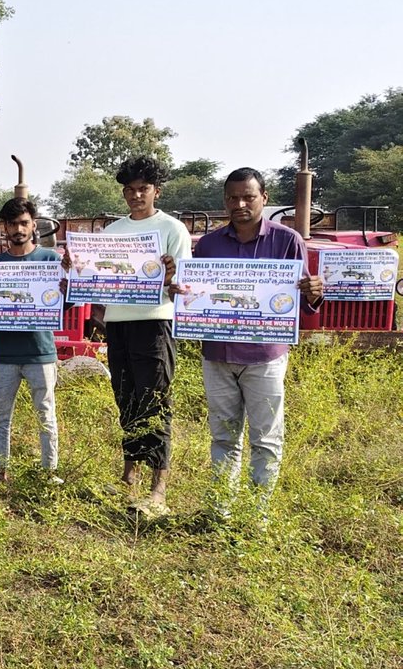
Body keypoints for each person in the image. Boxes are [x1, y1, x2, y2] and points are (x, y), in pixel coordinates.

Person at [192, 167, 322, 523]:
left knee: (266, 439)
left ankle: (256, 518)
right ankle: (220, 513)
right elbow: (198, 295)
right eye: (232, 198)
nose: (240, 204)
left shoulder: (287, 240)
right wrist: (183, 292)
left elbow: (302, 298)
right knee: (223, 437)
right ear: (225, 201)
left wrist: (313, 292)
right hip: (217, 354)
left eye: (248, 197)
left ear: (264, 198)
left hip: (264, 355)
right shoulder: (208, 245)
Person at [78, 156, 191, 519]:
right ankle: (129, 476)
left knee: (154, 402)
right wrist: (76, 272)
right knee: (126, 398)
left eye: (143, 189)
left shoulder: (172, 229)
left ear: (157, 191)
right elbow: (94, 277)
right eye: (129, 190)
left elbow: (183, 287)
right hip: (118, 324)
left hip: (155, 324)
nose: (136, 195)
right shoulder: (111, 232)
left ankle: (159, 488)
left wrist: (171, 278)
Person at [0, 198, 62, 488]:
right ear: (4, 227)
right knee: (1, 417)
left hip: (41, 352)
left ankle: (49, 472)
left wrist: (67, 291)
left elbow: (64, 306)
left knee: (46, 414)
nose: (18, 229)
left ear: (33, 225)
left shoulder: (50, 260)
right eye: (13, 224)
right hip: (5, 354)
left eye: (24, 223)